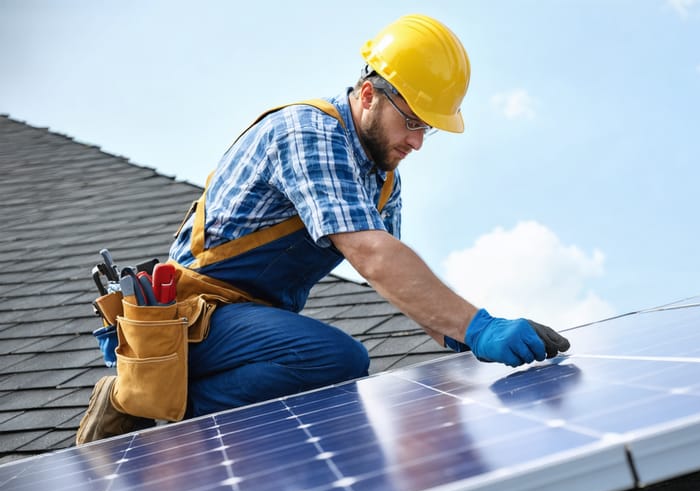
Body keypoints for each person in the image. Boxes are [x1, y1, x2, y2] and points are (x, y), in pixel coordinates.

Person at [76, 13, 570, 445]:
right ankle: (135, 397)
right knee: (335, 361)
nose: (418, 142)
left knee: (328, 371)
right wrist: (478, 325)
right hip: (183, 323)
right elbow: (371, 254)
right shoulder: (308, 132)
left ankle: (159, 401)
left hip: (247, 330)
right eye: (413, 122)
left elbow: (395, 279)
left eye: (429, 129)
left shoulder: (382, 181)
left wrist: (462, 337)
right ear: (370, 95)